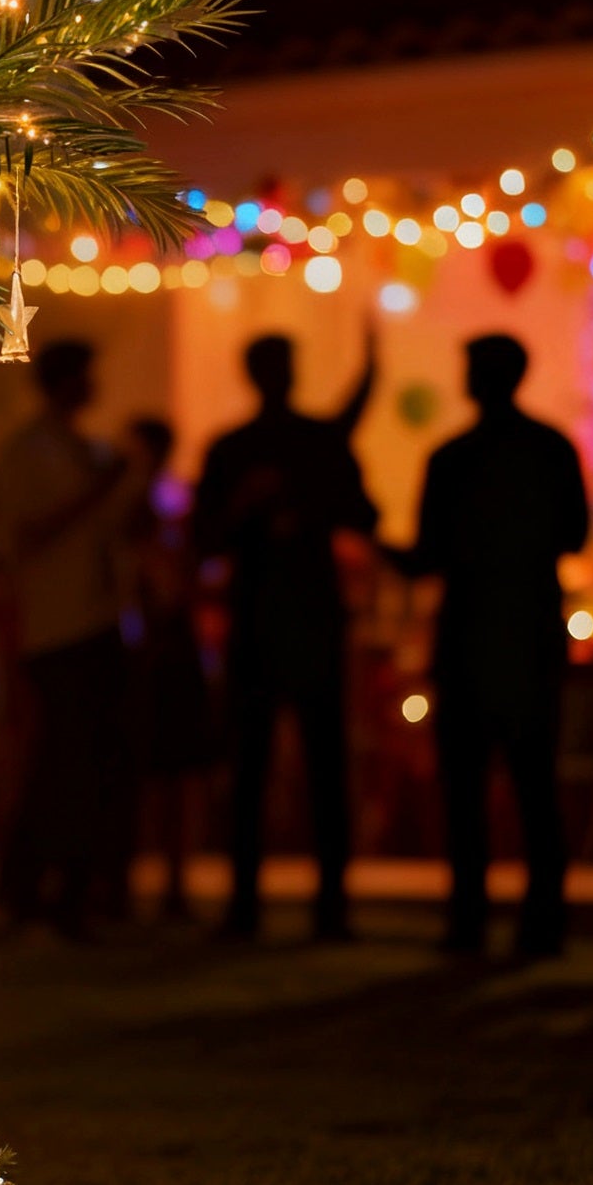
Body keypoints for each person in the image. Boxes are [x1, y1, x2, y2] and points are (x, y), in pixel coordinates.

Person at [385, 335, 589, 957]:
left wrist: (373, 540)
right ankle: (542, 922)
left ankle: (470, 919)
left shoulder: (453, 458)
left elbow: (427, 556)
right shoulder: (549, 449)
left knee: (467, 792)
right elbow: (575, 533)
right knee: (534, 787)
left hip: (471, 638)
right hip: (526, 634)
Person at [193, 334, 377, 940]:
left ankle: (250, 905)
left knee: (257, 768)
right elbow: (363, 515)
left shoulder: (233, 448)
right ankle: (327, 907)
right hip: (305, 618)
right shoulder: (311, 442)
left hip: (263, 619)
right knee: (318, 768)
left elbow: (204, 541)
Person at [0, 339, 130, 937]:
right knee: (61, 764)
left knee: (86, 765)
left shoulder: (86, 450)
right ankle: (31, 889)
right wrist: (99, 491)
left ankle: (65, 890)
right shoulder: (30, 452)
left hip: (97, 620)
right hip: (55, 626)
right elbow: (26, 536)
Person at [117, 416, 214, 919]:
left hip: (163, 646)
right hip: (158, 646)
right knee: (163, 773)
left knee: (167, 772)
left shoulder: (162, 503)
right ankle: (160, 881)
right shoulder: (156, 504)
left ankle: (165, 881)